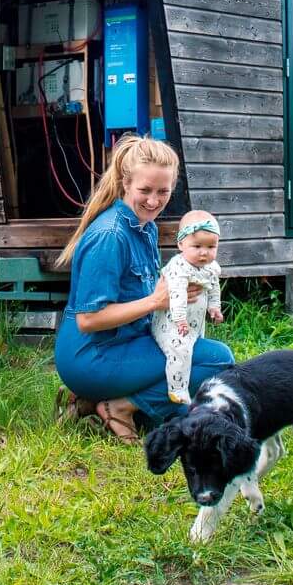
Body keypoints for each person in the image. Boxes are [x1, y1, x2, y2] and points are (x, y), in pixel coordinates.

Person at [54, 136, 235, 442]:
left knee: (185, 405)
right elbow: (89, 320)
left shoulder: (145, 226)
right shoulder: (110, 235)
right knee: (216, 360)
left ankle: (87, 401)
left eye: (162, 191)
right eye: (145, 191)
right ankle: (119, 406)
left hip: (125, 342)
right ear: (126, 183)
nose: (154, 201)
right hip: (92, 355)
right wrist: (156, 301)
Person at [151, 210, 225, 405]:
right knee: (179, 350)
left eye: (211, 246)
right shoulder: (179, 268)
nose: (204, 252)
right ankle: (177, 389)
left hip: (194, 322)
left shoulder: (211, 267)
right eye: (197, 246)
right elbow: (175, 295)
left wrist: (214, 307)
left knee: (194, 347)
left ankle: (193, 381)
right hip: (172, 323)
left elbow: (213, 287)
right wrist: (180, 319)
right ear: (181, 244)